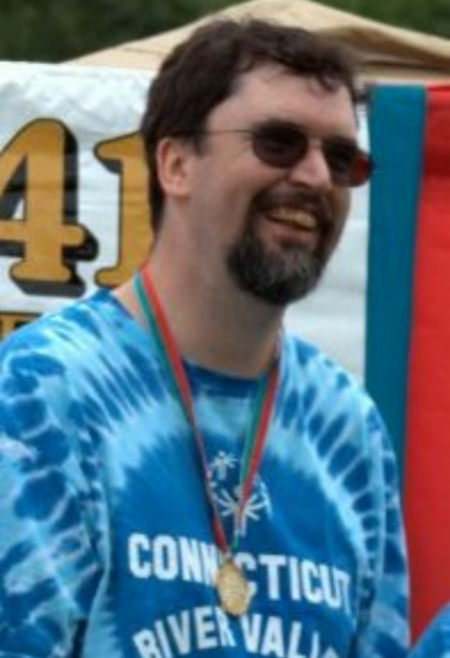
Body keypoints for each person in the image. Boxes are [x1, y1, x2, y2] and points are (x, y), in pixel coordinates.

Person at [0, 18, 409, 658]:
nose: (315, 177)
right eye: (278, 142)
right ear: (175, 163)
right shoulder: (41, 392)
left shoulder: (348, 427)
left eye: (340, 159)